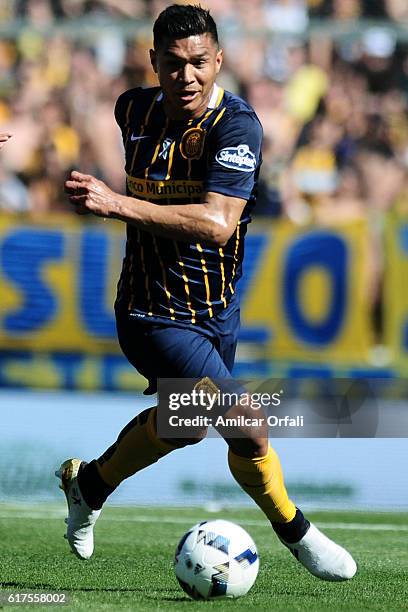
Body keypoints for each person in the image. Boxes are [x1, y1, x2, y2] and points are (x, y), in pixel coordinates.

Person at [57, 4, 356, 584]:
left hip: (217, 312)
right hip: (150, 313)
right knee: (245, 419)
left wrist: (116, 204)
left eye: (199, 63)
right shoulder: (132, 110)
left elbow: (219, 223)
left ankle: (87, 484)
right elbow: (76, 116)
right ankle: (299, 534)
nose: (186, 76)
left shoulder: (236, 127)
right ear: (154, 63)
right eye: (173, 64)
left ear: (218, 61)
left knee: (188, 422)